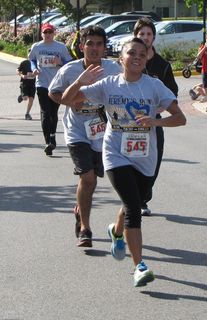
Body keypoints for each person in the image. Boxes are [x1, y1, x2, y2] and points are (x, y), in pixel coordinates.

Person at [61, 38, 186, 287]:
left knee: (136, 200)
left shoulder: (154, 87)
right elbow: (66, 100)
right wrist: (78, 83)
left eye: (142, 53)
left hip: (145, 157)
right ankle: (139, 267)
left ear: (147, 57)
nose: (137, 57)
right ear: (122, 58)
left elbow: (180, 118)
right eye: (132, 53)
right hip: (115, 153)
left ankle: (116, 232)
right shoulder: (108, 84)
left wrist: (155, 122)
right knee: (133, 208)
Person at [48, 26, 122, 247]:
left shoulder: (113, 68)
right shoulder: (70, 70)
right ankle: (85, 229)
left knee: (93, 181)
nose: (94, 48)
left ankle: (80, 209)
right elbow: (53, 92)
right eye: (89, 43)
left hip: (102, 132)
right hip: (77, 131)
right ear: (81, 46)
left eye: (99, 44)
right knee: (87, 178)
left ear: (104, 47)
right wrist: (73, 100)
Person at [133, 17, 178, 216]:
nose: (145, 37)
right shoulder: (128, 60)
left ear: (154, 37)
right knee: (131, 161)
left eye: (149, 34)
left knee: (154, 159)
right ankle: (134, 197)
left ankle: (143, 198)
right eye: (141, 33)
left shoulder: (162, 65)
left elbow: (172, 92)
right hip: (128, 123)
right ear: (135, 35)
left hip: (153, 123)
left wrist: (160, 108)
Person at [29, 23, 72, 156]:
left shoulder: (61, 47)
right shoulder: (36, 47)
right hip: (41, 83)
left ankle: (52, 136)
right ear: (41, 34)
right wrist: (34, 69)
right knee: (45, 113)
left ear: (54, 33)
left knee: (53, 113)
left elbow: (69, 63)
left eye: (50, 32)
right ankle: (48, 141)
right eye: (45, 33)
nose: (47, 35)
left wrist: (60, 63)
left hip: (57, 85)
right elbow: (32, 60)